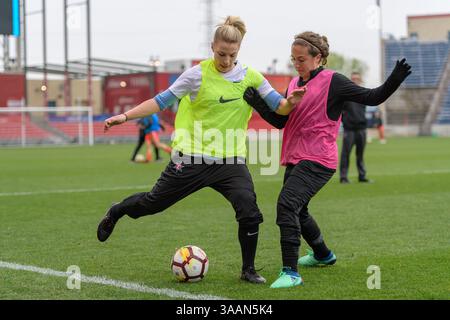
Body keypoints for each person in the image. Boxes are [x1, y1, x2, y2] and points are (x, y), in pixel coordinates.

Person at [96, 16, 305, 284]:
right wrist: (124, 117)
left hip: (230, 162)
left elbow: (279, 107)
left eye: (232, 55)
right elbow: (160, 102)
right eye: (221, 54)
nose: (226, 60)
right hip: (190, 158)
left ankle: (248, 270)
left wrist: (293, 101)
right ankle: (117, 211)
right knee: (152, 204)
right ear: (212, 47)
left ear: (238, 51)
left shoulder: (251, 76)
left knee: (250, 212)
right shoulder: (196, 75)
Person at [244, 31, 411, 288]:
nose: (296, 64)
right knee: (299, 211)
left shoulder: (334, 81)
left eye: (301, 59)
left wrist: (394, 79)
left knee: (287, 205)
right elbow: (281, 121)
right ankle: (323, 255)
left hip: (318, 158)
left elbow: (372, 97)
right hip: (296, 157)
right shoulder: (293, 83)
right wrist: (258, 104)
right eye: (293, 59)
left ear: (318, 58)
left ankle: (291, 272)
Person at [339, 72, 371, 184]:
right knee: (345, 154)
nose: (355, 81)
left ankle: (362, 176)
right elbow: (339, 111)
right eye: (353, 79)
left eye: (357, 79)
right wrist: (345, 121)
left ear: (360, 80)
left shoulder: (363, 94)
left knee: (360, 154)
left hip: (362, 128)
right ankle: (343, 177)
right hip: (349, 129)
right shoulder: (345, 95)